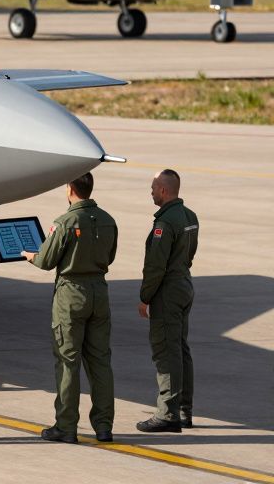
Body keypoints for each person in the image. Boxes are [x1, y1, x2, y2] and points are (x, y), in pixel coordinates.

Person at [22, 172, 117, 443]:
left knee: (67, 362)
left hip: (71, 294)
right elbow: (110, 256)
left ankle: (66, 426)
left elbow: (46, 261)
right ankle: (103, 426)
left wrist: (30, 255)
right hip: (99, 291)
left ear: (69, 189)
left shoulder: (65, 222)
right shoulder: (108, 220)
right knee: (100, 362)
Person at [136, 169, 199, 433]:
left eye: (153, 187)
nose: (151, 191)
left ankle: (168, 414)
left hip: (168, 292)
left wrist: (145, 297)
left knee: (166, 350)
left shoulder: (164, 223)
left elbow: (155, 266)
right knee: (181, 349)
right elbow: (190, 253)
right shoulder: (189, 216)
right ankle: (184, 409)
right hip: (184, 284)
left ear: (164, 190)